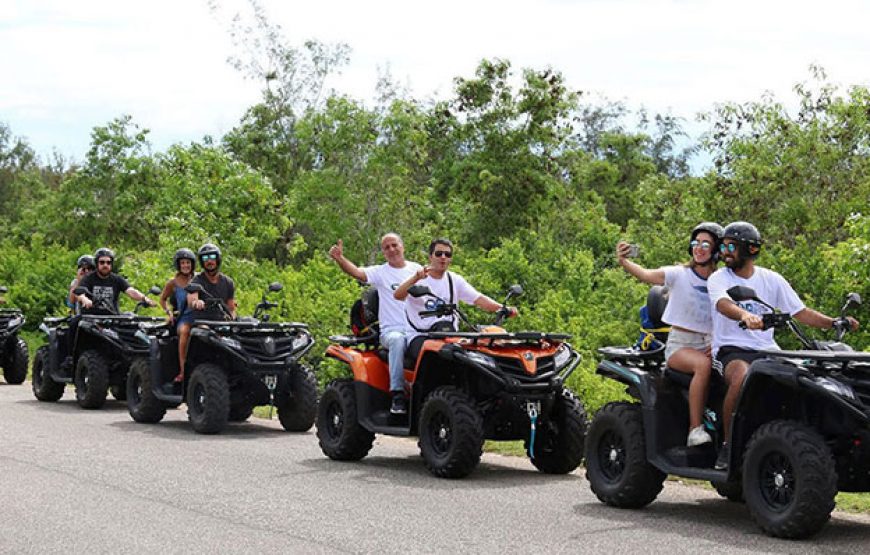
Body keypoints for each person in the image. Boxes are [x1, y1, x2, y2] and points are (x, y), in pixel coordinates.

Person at [708, 221, 860, 470]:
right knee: (741, 376)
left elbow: (800, 312)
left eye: (731, 246)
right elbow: (723, 304)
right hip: (731, 350)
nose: (725, 252)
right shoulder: (719, 277)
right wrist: (745, 315)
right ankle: (727, 445)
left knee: (804, 377)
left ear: (751, 250)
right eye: (723, 246)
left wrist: (833, 322)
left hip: (768, 351)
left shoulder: (771, 279)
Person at [616, 222, 724, 447]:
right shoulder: (679, 274)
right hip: (681, 346)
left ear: (716, 250)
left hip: (710, 344)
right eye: (696, 243)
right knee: (703, 365)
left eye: (706, 244)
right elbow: (646, 275)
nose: (699, 248)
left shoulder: (720, 280)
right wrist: (624, 261)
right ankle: (695, 429)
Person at [394, 238, 518, 410]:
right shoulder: (419, 278)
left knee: (477, 356)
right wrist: (415, 278)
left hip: (450, 336)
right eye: (439, 253)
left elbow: (478, 299)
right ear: (430, 256)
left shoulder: (454, 280)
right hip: (421, 336)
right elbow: (398, 295)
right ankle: (420, 402)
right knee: (438, 357)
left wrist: (502, 308)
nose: (443, 257)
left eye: (447, 254)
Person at [329, 233, 422, 415]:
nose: (392, 250)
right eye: (387, 247)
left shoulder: (416, 269)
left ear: (402, 246)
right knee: (397, 341)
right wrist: (340, 259)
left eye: (394, 245)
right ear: (383, 252)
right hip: (392, 331)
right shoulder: (381, 272)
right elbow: (357, 272)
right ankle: (397, 394)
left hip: (416, 330)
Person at [76, 248, 156, 314]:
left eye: (108, 262)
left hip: (112, 317)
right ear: (97, 263)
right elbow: (80, 294)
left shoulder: (117, 279)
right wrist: (85, 299)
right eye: (102, 262)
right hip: (91, 318)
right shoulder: (88, 278)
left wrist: (145, 299)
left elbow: (131, 291)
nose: (105, 265)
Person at [159, 248, 196, 383]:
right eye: (183, 263)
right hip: (184, 318)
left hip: (199, 317)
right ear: (178, 265)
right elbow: (162, 299)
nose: (185, 265)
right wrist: (169, 312)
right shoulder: (173, 282)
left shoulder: (198, 279)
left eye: (188, 263)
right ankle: (182, 371)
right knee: (185, 331)